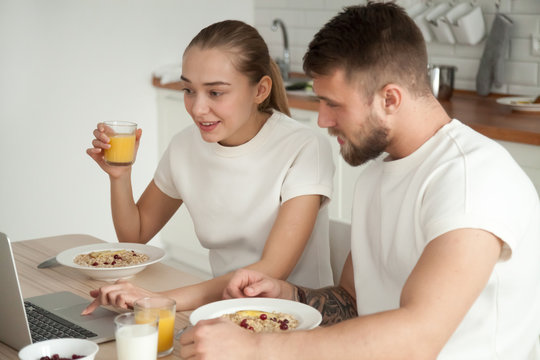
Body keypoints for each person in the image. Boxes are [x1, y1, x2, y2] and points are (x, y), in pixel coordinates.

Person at [179, 3, 540, 359]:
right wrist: (290, 295)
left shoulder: (471, 179)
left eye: (333, 104)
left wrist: (257, 348)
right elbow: (352, 300)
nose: (321, 120)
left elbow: (418, 339)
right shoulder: (374, 177)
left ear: (390, 99)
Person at [83, 20, 335, 314]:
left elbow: (269, 271)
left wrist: (158, 299)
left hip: (294, 319)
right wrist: (120, 175)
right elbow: (135, 236)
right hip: (224, 311)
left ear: (260, 90)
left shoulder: (304, 147)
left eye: (215, 93)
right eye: (189, 90)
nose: (197, 108)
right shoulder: (184, 146)